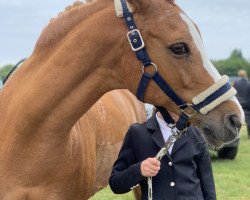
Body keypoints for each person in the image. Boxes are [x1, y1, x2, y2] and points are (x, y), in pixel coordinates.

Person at [109, 109, 216, 200]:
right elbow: (116, 184)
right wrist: (138, 170)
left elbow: (208, 187)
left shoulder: (197, 133)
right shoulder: (137, 133)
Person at [234, 69, 250, 139]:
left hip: (238, 103)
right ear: (245, 75)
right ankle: (249, 134)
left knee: (237, 119)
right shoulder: (248, 83)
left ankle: (236, 135)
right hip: (247, 104)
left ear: (239, 75)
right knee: (248, 120)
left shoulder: (236, 83)